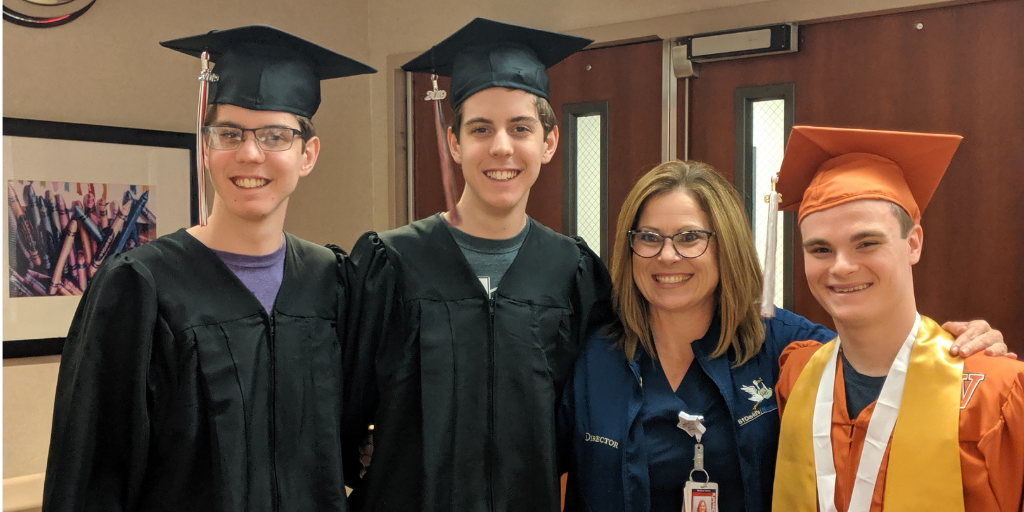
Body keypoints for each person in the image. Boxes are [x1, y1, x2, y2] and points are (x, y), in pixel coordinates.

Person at [42, 26, 375, 511]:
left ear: (308, 154)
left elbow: (345, 443)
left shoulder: (332, 281)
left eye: (275, 136)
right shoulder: (141, 287)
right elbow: (92, 472)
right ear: (206, 145)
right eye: (229, 133)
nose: (249, 153)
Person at [560, 160, 1008, 512]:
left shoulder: (790, 351)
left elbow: (888, 366)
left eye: (691, 237)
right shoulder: (593, 354)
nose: (667, 255)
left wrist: (969, 354)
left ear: (727, 245)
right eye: (649, 237)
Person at [340, 18, 612, 512]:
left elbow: (588, 420)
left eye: (521, 128)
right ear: (454, 142)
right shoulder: (390, 263)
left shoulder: (573, 272)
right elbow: (343, 414)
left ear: (548, 143)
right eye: (481, 128)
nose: (501, 147)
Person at [772, 126, 1024, 512]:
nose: (840, 267)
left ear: (913, 244)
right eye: (820, 249)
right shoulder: (796, 374)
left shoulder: (996, 394)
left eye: (866, 243)